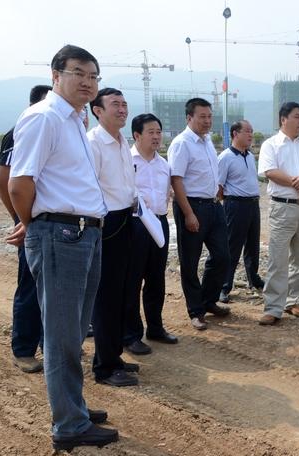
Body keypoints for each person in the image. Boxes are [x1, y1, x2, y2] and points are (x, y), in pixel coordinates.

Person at [8, 44, 117, 451]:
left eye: (93, 76)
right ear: (56, 76)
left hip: (84, 233)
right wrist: (32, 222)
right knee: (61, 334)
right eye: (78, 73)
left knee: (74, 331)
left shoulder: (74, 119)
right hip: (61, 235)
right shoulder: (44, 117)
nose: (87, 82)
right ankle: (69, 425)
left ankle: (75, 407)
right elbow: (19, 183)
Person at [0, 84, 51, 373]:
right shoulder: (20, 132)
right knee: (30, 287)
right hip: (33, 224)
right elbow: (2, 180)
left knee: (54, 290)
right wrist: (21, 220)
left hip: (57, 225)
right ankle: (24, 349)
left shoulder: (58, 129)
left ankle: (48, 343)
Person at [87, 88, 141, 383]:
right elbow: (89, 187)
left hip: (126, 219)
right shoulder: (93, 143)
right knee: (106, 296)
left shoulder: (122, 141)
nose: (122, 109)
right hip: (106, 224)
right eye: (115, 104)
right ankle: (104, 367)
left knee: (123, 291)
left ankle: (114, 354)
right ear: (97, 110)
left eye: (124, 104)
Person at [257, 102, 299, 326]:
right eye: (296, 117)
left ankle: (293, 301)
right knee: (278, 258)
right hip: (282, 208)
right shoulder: (271, 145)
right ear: (283, 119)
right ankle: (273, 307)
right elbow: (270, 172)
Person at [168, 98, 231, 331]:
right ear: (189, 118)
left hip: (214, 206)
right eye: (202, 117)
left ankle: (208, 300)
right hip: (192, 206)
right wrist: (188, 213)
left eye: (209, 116)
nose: (207, 121)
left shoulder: (207, 141)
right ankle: (195, 311)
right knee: (190, 261)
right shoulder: (182, 143)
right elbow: (176, 180)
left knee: (223, 256)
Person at [123, 113, 178, 351]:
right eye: (151, 132)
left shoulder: (164, 164)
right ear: (137, 135)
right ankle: (131, 335)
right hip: (135, 224)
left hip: (159, 222)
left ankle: (155, 328)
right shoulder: (126, 160)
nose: (156, 137)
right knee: (132, 280)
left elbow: (166, 195)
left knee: (156, 279)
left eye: (159, 132)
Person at [217, 120, 265, 304]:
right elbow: (219, 186)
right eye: (247, 131)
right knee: (232, 246)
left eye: (252, 131)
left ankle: (254, 279)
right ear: (235, 134)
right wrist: (229, 202)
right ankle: (224, 285)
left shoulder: (250, 156)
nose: (250, 135)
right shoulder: (225, 157)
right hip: (235, 205)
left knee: (253, 245)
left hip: (253, 204)